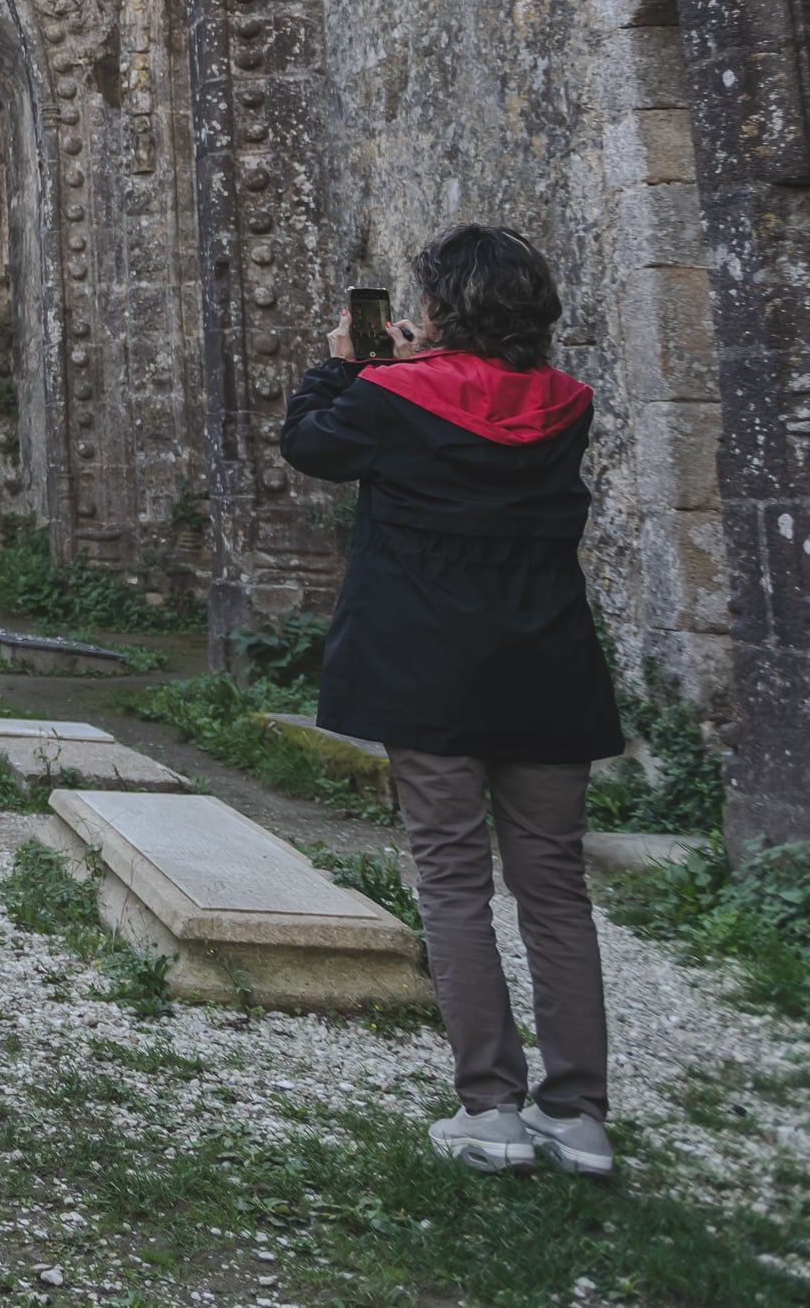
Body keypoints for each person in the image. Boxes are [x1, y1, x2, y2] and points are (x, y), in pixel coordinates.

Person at [281, 226, 622, 1179]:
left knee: (453, 884)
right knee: (553, 890)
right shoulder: (568, 403)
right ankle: (578, 1115)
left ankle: (490, 1108)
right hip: (547, 670)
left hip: (427, 669)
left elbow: (309, 445)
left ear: (441, 311)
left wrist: (340, 365)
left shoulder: (391, 396)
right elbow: (486, 415)